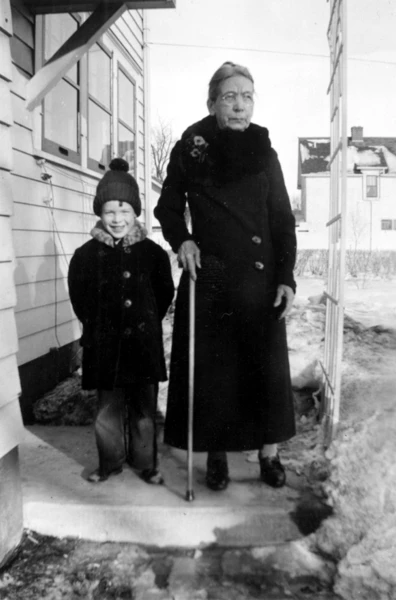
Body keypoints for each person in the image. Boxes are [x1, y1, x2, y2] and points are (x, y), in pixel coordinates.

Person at [154, 61, 297, 492]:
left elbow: (282, 220)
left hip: (260, 277)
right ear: (213, 101)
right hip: (211, 273)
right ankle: (216, 453)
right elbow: (167, 207)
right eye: (230, 96)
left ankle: (269, 454)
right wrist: (183, 240)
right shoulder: (192, 147)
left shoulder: (264, 151)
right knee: (215, 373)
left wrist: (286, 277)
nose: (240, 106)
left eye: (247, 96)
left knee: (264, 370)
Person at [68, 158, 174, 484]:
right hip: (104, 344)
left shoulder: (152, 254)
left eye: (124, 211)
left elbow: (164, 293)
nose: (117, 220)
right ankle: (109, 463)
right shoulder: (86, 255)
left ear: (136, 213)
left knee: (143, 411)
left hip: (142, 344)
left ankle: (145, 463)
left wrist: (145, 320)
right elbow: (79, 295)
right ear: (100, 213)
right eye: (110, 212)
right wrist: (96, 324)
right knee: (106, 411)